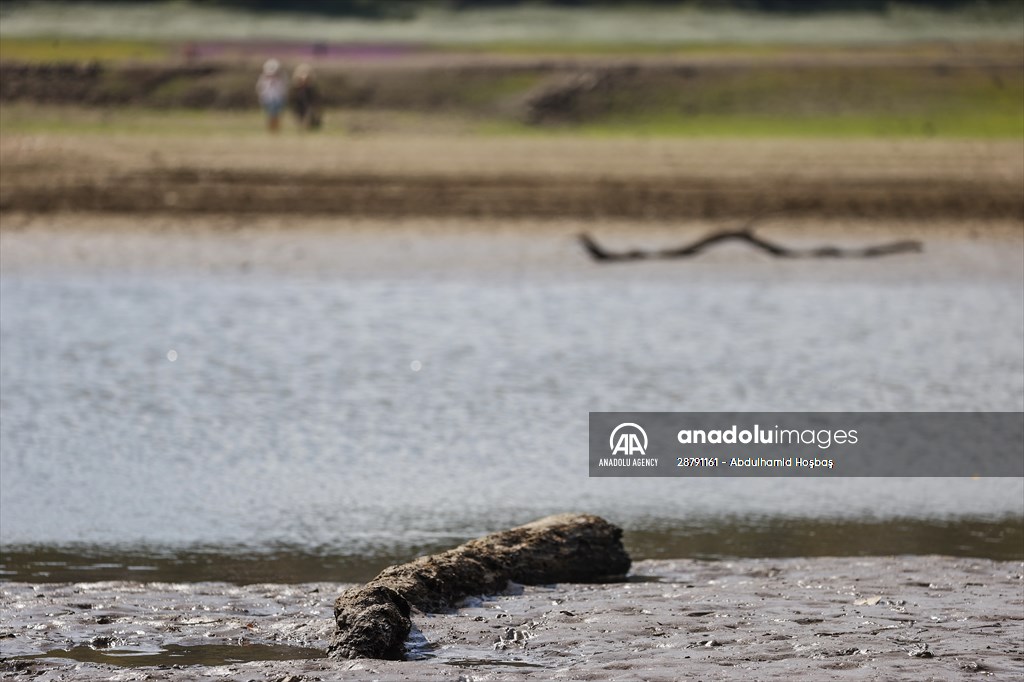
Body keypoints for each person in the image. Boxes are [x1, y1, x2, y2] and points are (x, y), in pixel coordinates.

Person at [255, 59, 287, 132]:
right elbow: (260, 89)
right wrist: (262, 97)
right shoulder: (263, 79)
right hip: (268, 99)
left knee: (277, 115)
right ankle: (270, 129)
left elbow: (283, 89)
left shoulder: (281, 79)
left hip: (278, 99)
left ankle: (276, 129)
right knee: (270, 115)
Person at [289, 63, 322, 131]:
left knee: (308, 117)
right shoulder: (295, 89)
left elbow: (315, 98)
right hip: (299, 106)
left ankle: (307, 127)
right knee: (300, 118)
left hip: (308, 106)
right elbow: (292, 99)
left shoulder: (311, 89)